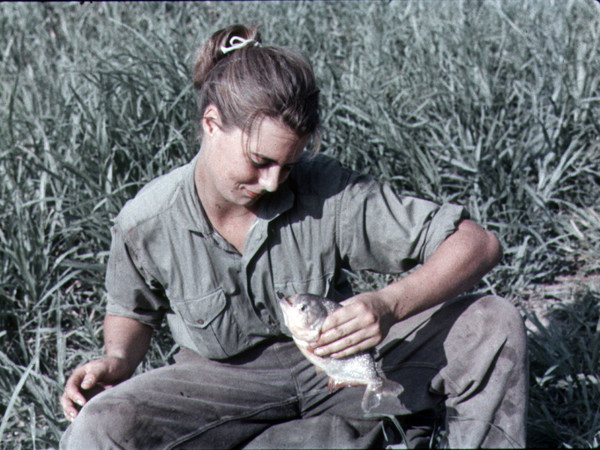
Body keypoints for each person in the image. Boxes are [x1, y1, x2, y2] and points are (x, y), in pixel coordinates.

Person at [60, 24, 527, 449]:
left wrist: (389, 305)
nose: (272, 182)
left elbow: (477, 243)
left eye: (289, 164)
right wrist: (117, 359)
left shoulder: (325, 187)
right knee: (98, 429)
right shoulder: (147, 219)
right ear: (210, 123)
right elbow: (130, 310)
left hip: (346, 366)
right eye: (260, 161)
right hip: (222, 386)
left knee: (492, 324)